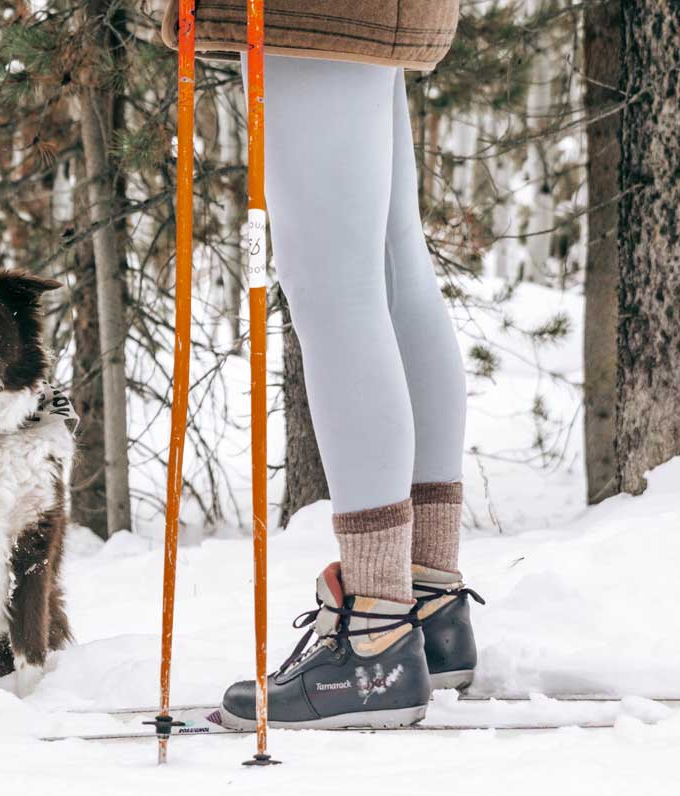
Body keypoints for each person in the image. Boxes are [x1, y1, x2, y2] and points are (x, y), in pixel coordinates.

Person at [161, 1, 483, 728]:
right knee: (392, 259)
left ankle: (374, 635)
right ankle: (423, 600)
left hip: (310, 11)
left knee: (337, 283)